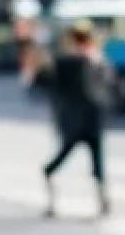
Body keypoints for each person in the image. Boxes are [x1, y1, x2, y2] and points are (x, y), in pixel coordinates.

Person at [27, 19, 113, 218]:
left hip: (73, 122)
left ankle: (52, 203)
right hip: (94, 121)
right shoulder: (98, 60)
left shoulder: (66, 62)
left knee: (54, 165)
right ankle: (103, 201)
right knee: (97, 163)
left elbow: (43, 84)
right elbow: (113, 88)